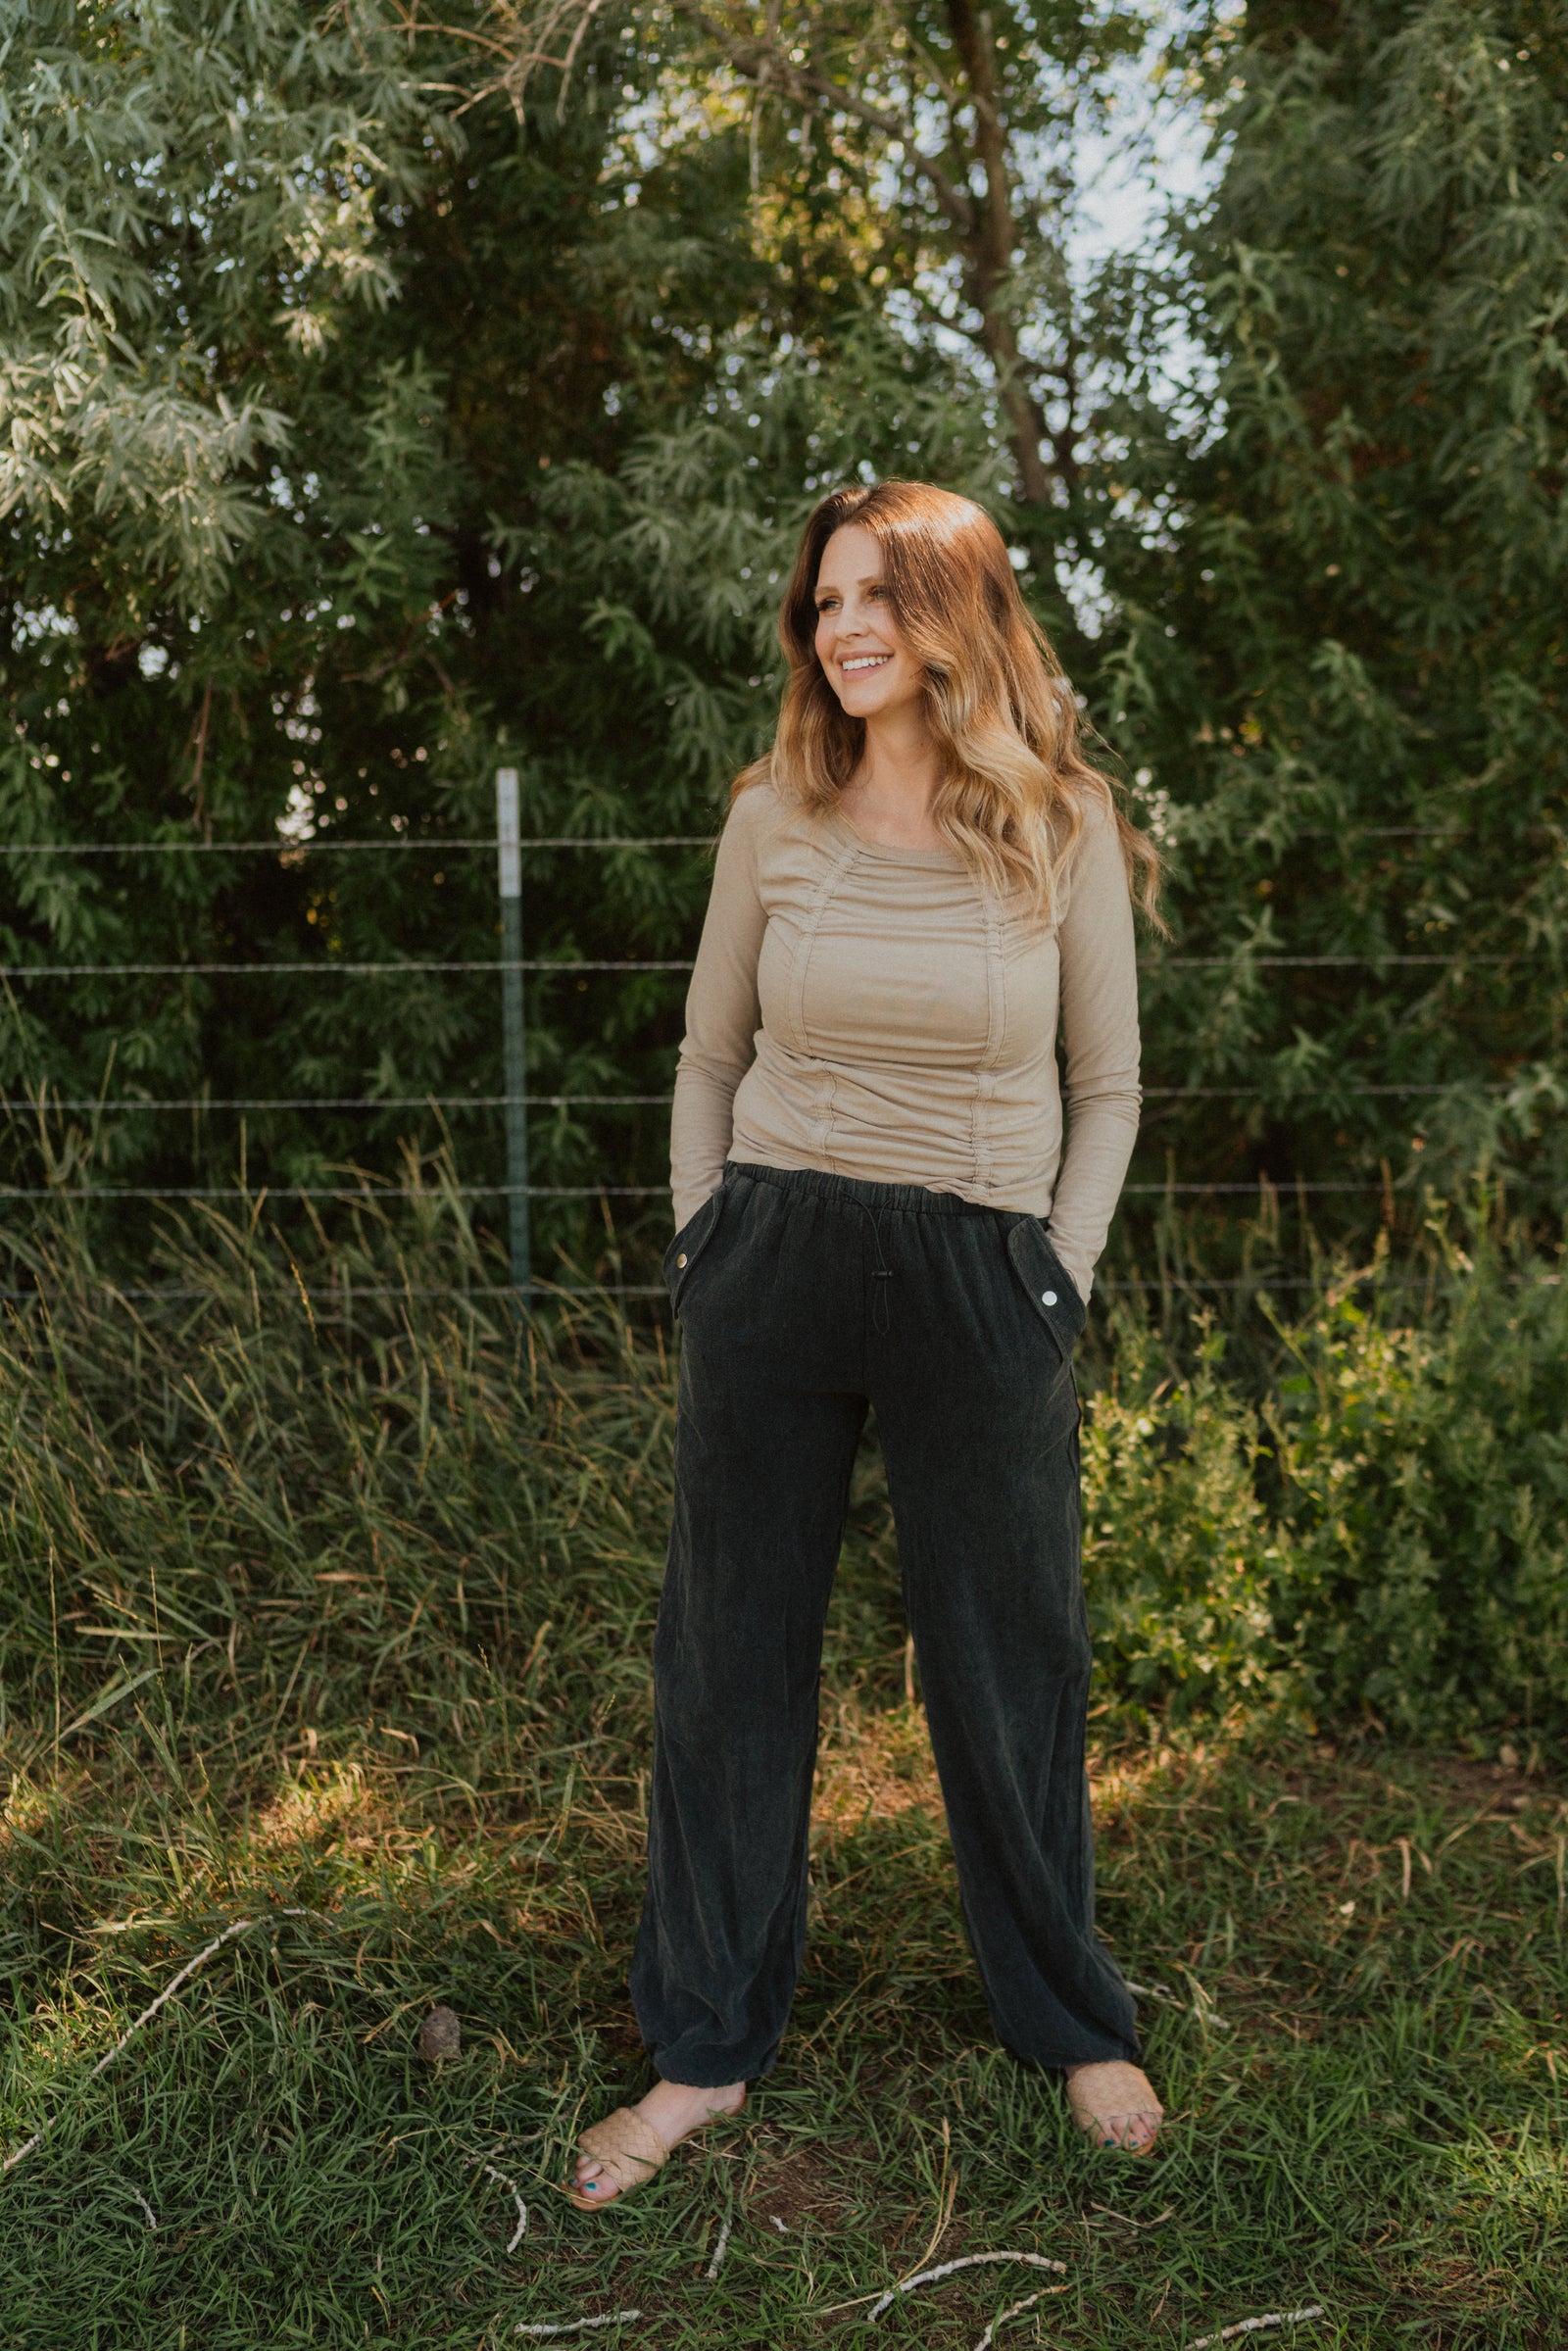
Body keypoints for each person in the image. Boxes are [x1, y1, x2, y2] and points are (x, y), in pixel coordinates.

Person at [565, 478, 1165, 2211]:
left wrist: (1056, 1280)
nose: (841, 629)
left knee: (1009, 1662)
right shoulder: (773, 815)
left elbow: (1110, 1086)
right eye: (824, 602)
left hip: (984, 1277)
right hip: (774, 1261)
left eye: (875, 597)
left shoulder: (1061, 820)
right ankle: (703, 2051)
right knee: (729, 1663)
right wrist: (706, 1242)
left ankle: (1071, 2022)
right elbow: (705, 1055)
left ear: (952, 613)